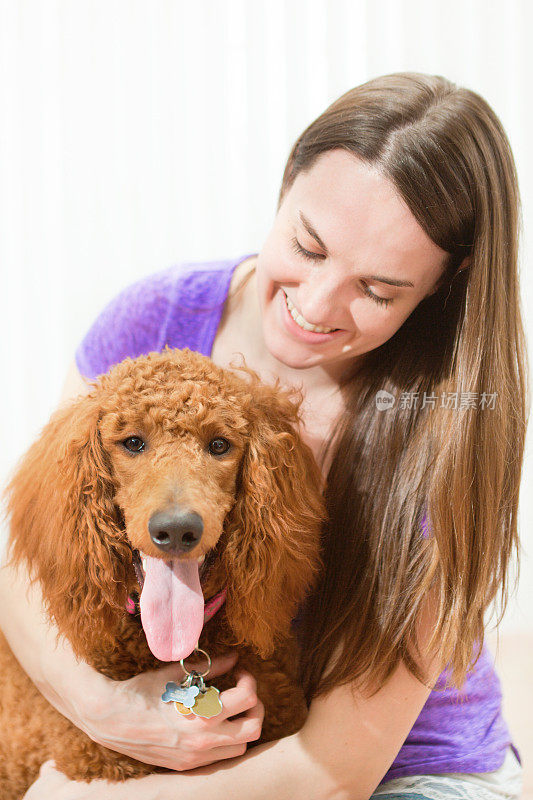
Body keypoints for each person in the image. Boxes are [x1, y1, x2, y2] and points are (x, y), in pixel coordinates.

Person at [1, 71, 526, 800]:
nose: (314, 305)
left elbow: (335, 774)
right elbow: (27, 566)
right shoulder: (156, 318)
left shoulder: (447, 428)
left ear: (447, 277)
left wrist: (83, 799)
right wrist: (107, 709)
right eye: (307, 247)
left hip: (403, 769)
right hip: (200, 733)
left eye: (376, 290)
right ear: (284, 188)